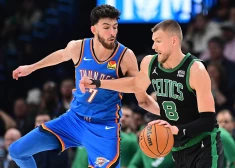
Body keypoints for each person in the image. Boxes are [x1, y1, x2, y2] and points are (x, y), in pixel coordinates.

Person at [10, 4, 159, 168]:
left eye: (115, 27)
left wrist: (169, 114)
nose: (112, 33)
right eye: (106, 27)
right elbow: (60, 55)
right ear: (94, 29)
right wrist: (31, 67)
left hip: (104, 126)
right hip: (73, 120)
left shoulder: (125, 56)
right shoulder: (79, 47)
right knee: (17, 151)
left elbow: (138, 90)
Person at [80, 19, 224, 168]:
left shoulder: (195, 69)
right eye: (153, 41)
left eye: (158, 41)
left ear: (174, 41)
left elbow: (208, 121)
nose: (154, 47)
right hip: (179, 149)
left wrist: (176, 129)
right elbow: (135, 85)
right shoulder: (150, 63)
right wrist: (98, 83)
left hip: (203, 146)